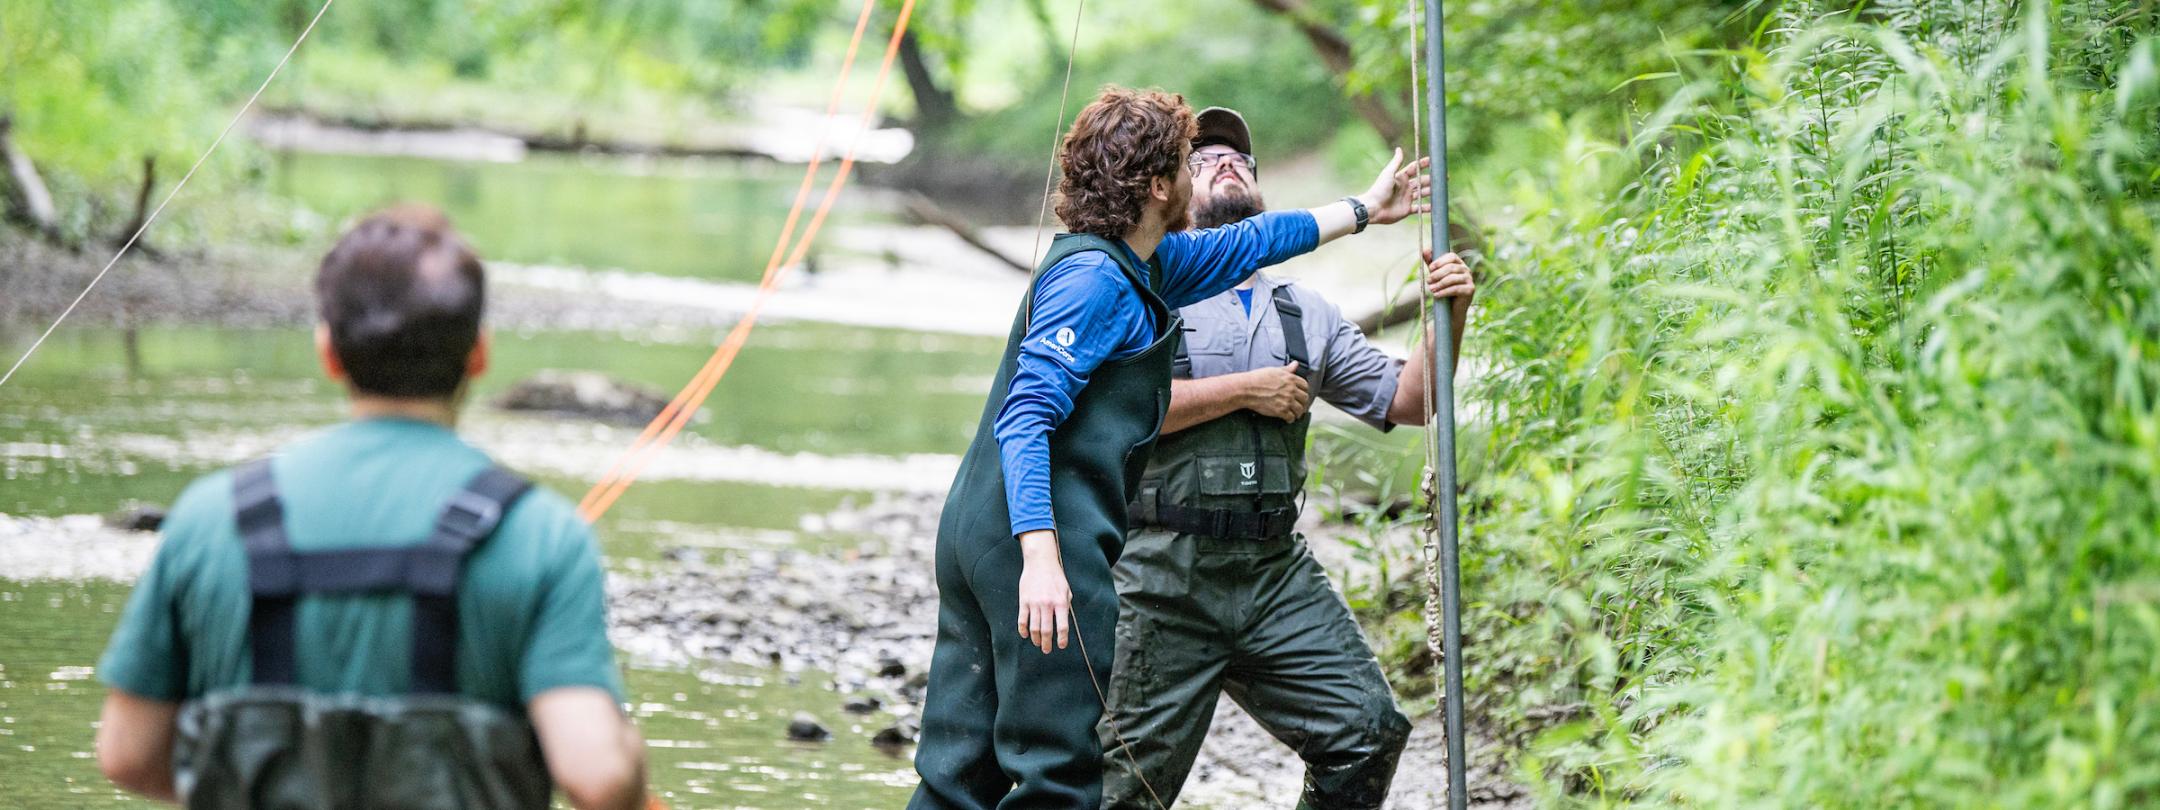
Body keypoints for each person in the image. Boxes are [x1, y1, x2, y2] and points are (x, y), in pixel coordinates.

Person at [909, 87, 1432, 810]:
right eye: (1191, 162)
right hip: (1031, 540)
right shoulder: (1095, 280)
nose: (1203, 174)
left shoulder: (1146, 265)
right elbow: (1025, 416)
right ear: (1160, 186)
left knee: (960, 772)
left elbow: (1257, 241)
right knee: (1059, 773)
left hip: (996, 528)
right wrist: (1040, 560)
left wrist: (1367, 208)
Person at [92, 206, 650, 810]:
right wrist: (629, 758)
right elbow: (597, 776)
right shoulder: (543, 535)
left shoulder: (211, 516)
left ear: (328, 352)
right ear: (478, 355)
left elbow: (127, 754)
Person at [1095, 107, 1475, 810]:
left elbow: (1410, 401)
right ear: (1170, 190)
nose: (1227, 163)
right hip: (1159, 577)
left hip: (1273, 575)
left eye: (1240, 159)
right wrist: (1245, 391)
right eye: (1202, 159)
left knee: (1367, 732)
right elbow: (1119, 412)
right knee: (1123, 791)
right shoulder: (1140, 290)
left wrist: (1446, 313)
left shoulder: (1305, 310)